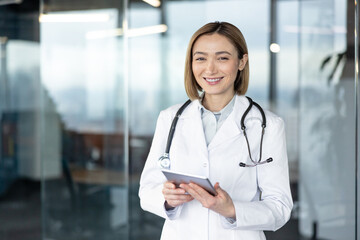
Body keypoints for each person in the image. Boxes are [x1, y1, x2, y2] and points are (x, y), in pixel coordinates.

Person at [138, 21, 293, 240]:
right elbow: (146, 192)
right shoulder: (170, 118)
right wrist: (167, 198)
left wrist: (231, 209)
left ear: (241, 62)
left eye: (222, 58)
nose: (210, 69)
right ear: (191, 64)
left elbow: (280, 207)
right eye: (200, 58)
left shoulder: (267, 125)